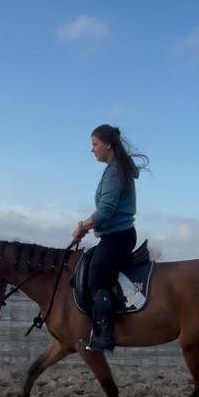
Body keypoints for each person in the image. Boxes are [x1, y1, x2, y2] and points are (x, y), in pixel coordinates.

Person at [72, 124, 148, 352]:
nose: (92, 149)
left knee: (95, 279)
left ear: (108, 145)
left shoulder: (115, 171)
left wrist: (81, 226)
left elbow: (105, 210)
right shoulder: (115, 169)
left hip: (118, 236)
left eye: (94, 144)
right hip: (115, 235)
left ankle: (105, 336)